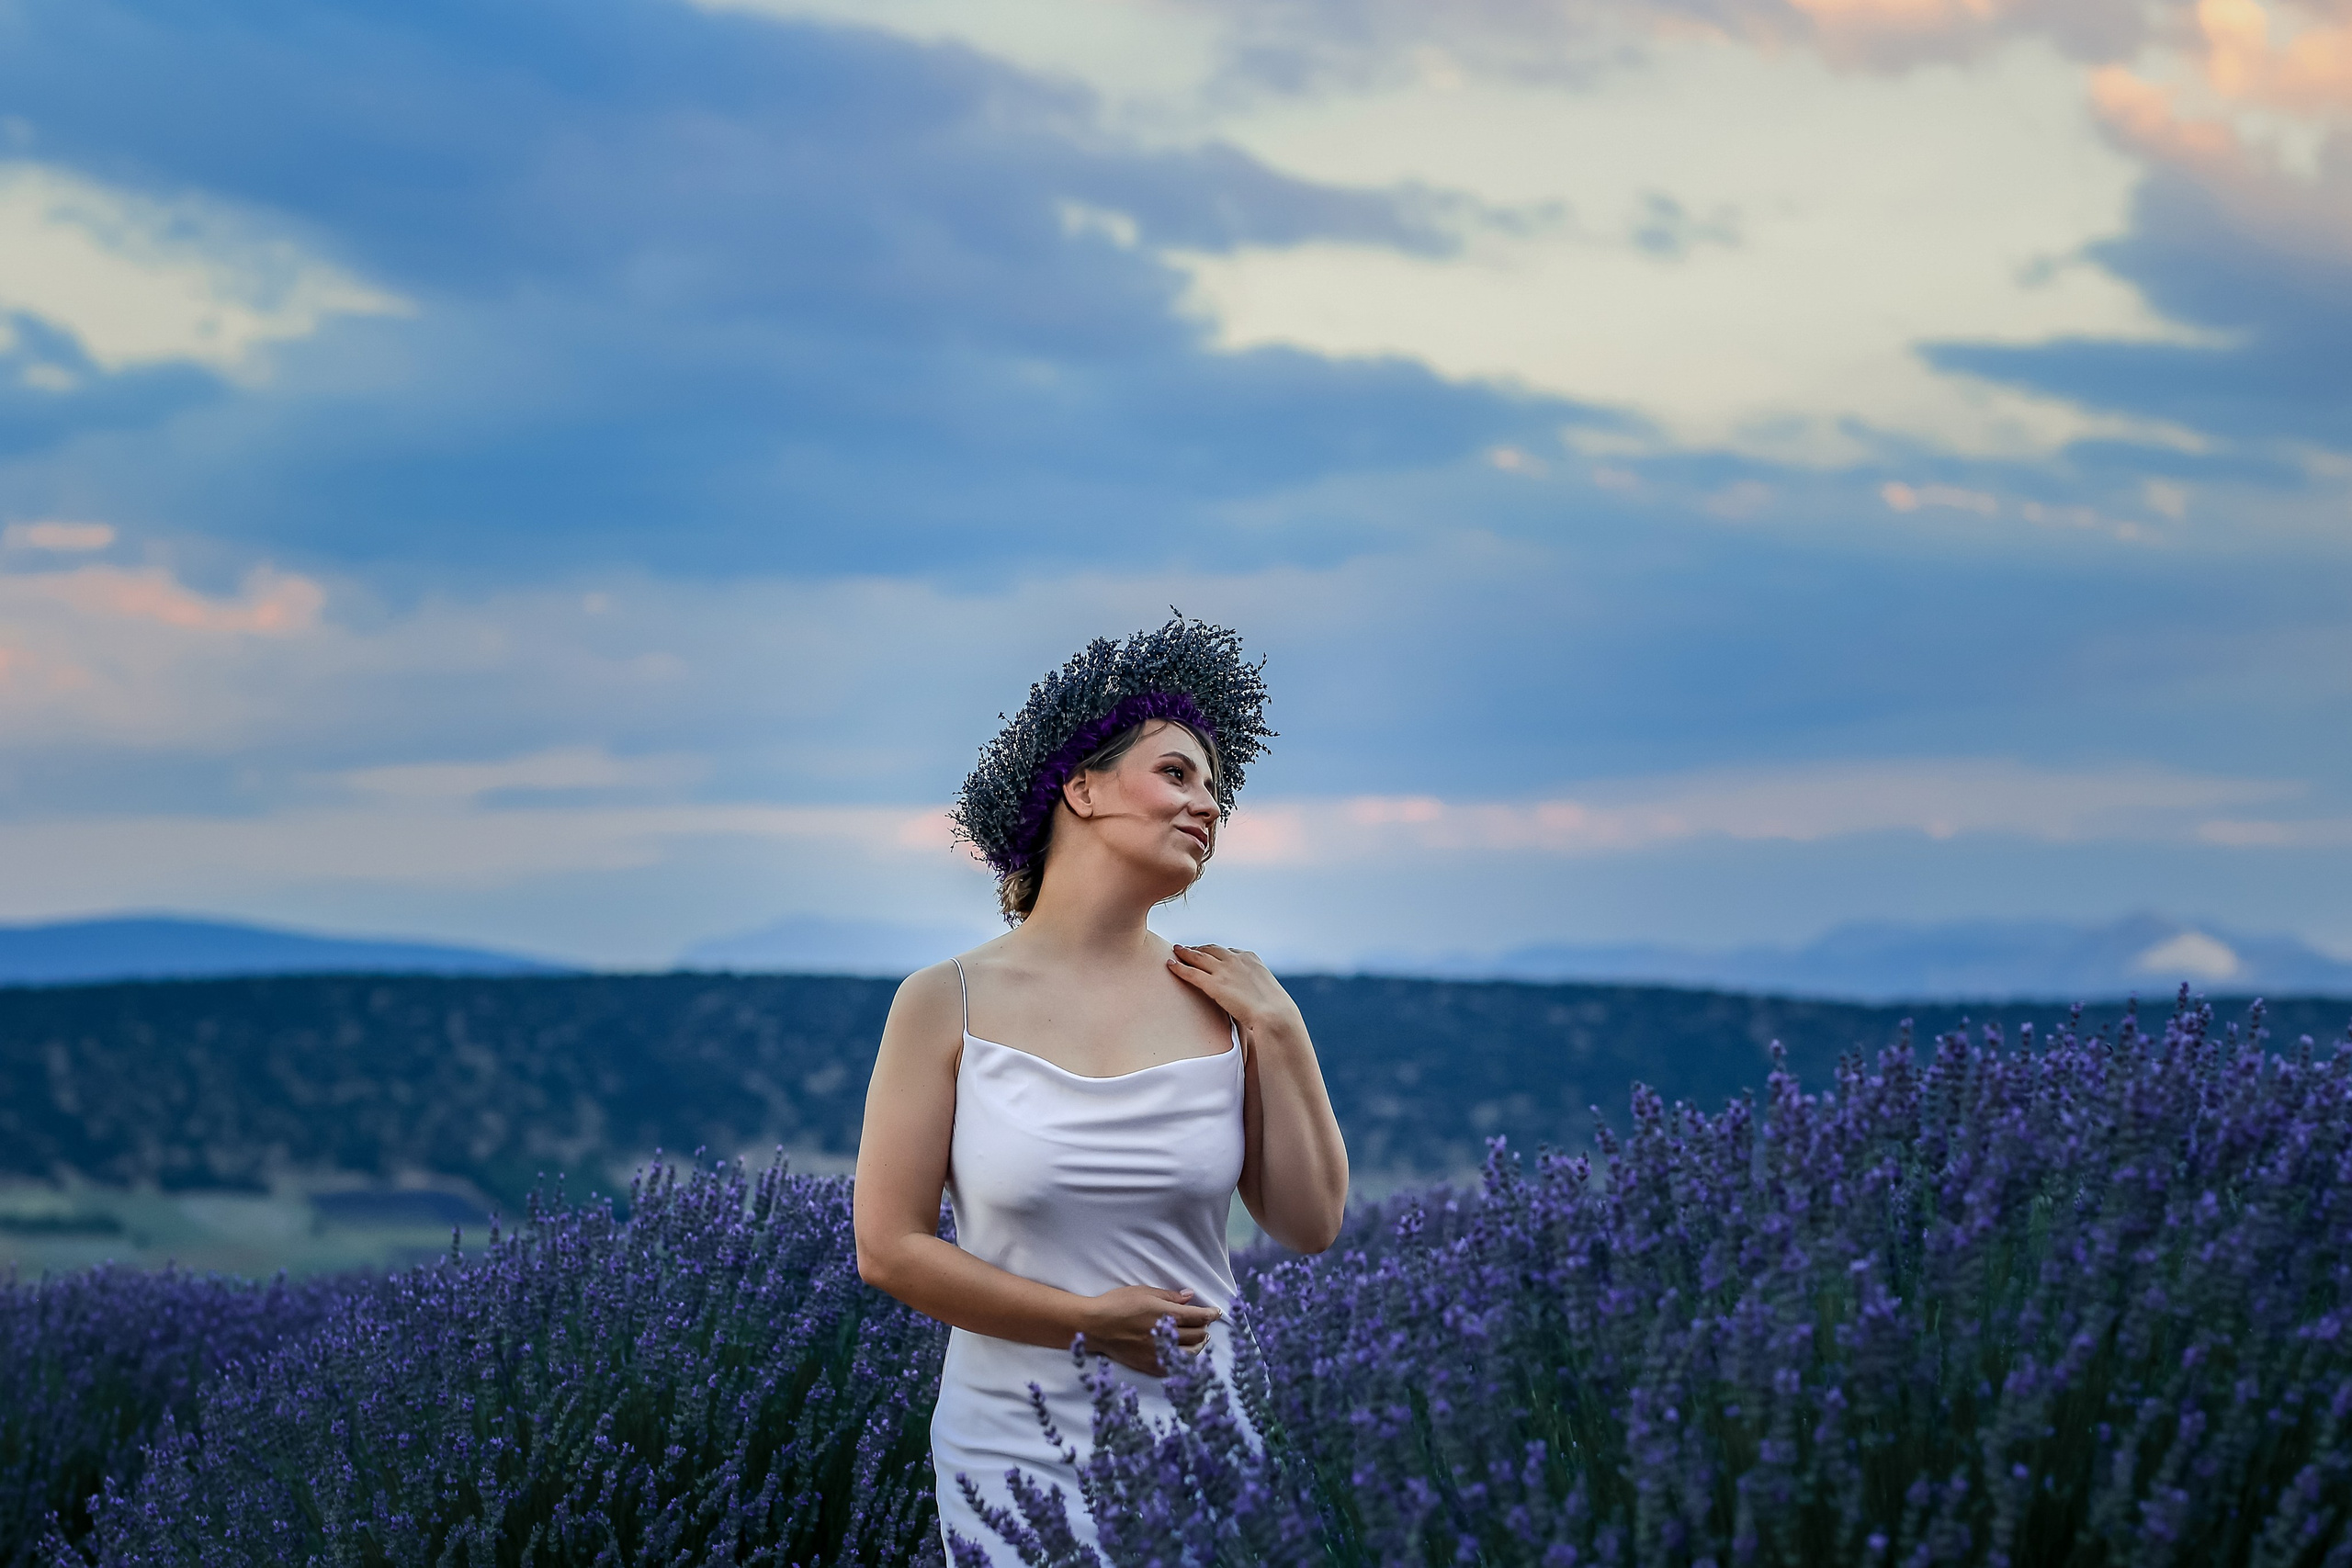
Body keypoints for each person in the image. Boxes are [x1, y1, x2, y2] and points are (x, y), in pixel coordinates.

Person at [853, 615, 1350, 1562]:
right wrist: (1085, 1324)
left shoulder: (1227, 1001)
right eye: (1175, 773)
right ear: (1079, 787)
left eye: (1215, 789)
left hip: (1201, 1439)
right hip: (1010, 1456)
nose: (1207, 806)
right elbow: (889, 1249)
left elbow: (1308, 1222)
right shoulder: (944, 1002)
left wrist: (1280, 1033)